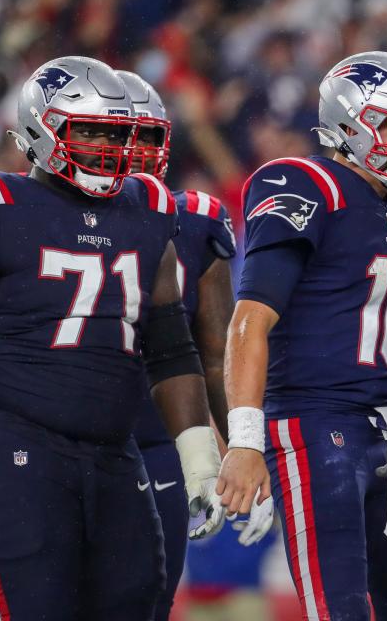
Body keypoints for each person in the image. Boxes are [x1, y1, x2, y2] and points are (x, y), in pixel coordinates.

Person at [0, 56, 225, 620]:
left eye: (115, 133)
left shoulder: (149, 218)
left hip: (115, 452)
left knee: (136, 604)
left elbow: (174, 355)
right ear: (41, 129)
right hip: (13, 439)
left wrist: (199, 462)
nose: (105, 147)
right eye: (89, 130)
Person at [216, 51, 387, 620]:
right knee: (341, 608)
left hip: (382, 425)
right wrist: (247, 439)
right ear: (355, 126)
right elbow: (250, 319)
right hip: (316, 425)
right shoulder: (304, 181)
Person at [117, 69, 274, 621]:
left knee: (153, 596)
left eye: (143, 138)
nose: (126, 152)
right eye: (106, 135)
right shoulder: (25, 213)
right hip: (58, 431)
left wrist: (242, 446)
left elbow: (215, 352)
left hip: (165, 430)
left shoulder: (198, 221)